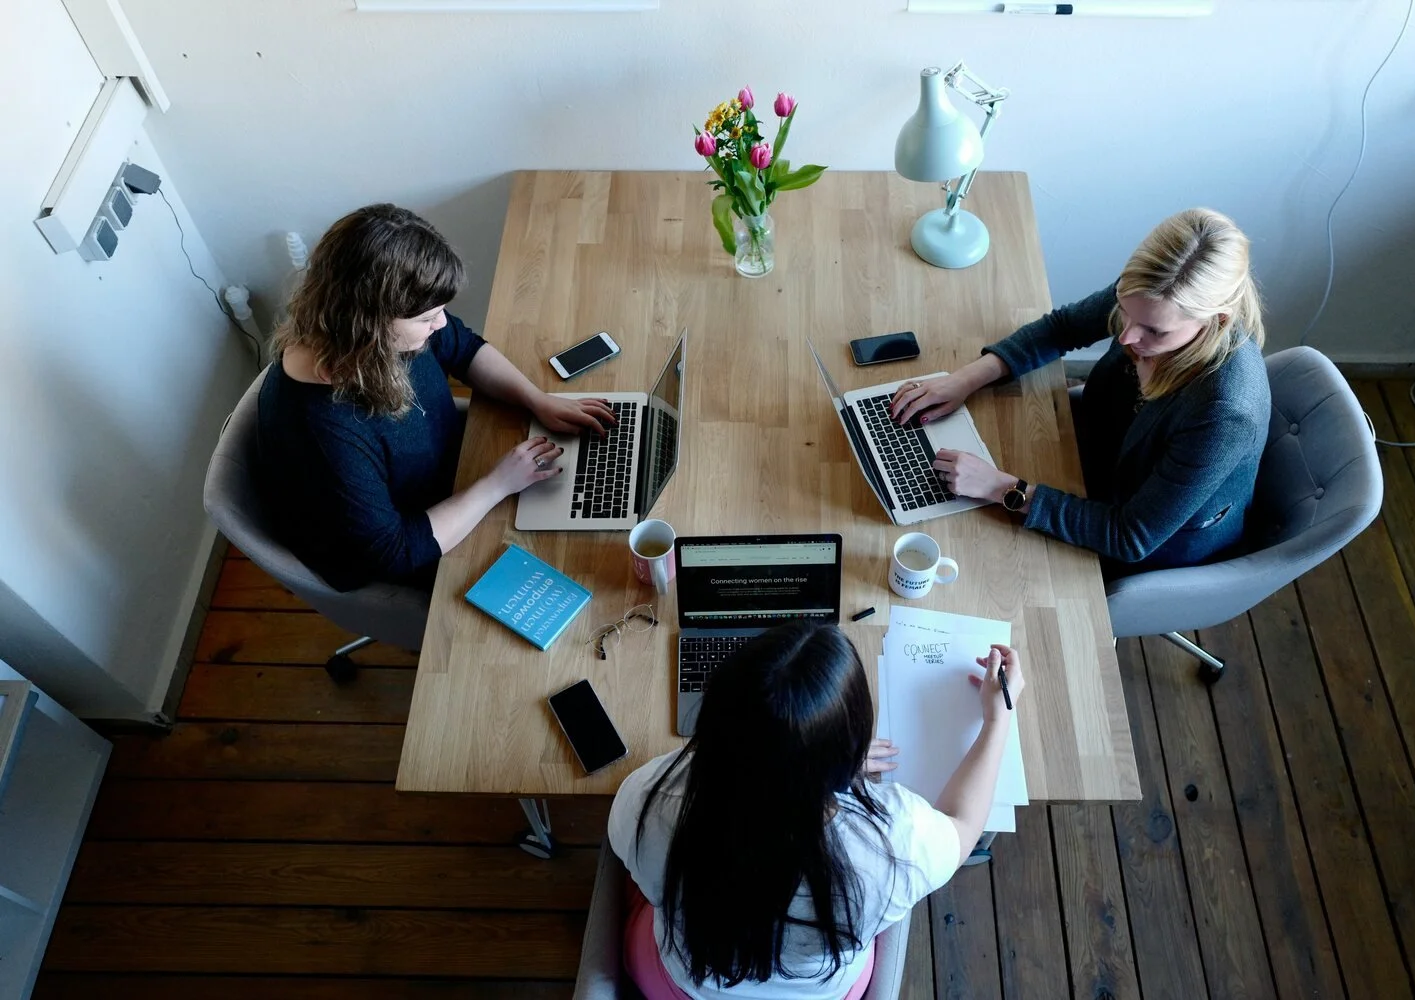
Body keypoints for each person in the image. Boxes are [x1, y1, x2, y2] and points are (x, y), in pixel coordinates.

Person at [608, 622, 1024, 999]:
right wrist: (997, 718)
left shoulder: (647, 799)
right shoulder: (894, 844)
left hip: (681, 985)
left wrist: (799, 757)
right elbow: (963, 825)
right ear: (849, 755)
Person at [890, 207, 1271, 574]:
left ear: (1217, 319)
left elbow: (1130, 536)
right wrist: (964, 379)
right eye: (1124, 310)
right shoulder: (1149, 293)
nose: (1127, 335)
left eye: (1154, 331)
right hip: (1091, 457)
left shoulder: (1224, 413)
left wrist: (1000, 487)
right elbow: (1063, 328)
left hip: (1144, 540)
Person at [258, 203, 616, 592]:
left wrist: (535, 399)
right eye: (427, 318)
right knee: (581, 566)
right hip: (417, 543)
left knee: (590, 515)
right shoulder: (322, 433)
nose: (440, 324)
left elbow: (462, 348)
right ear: (369, 322)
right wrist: (497, 485)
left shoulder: (370, 339)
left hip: (459, 473)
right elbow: (392, 552)